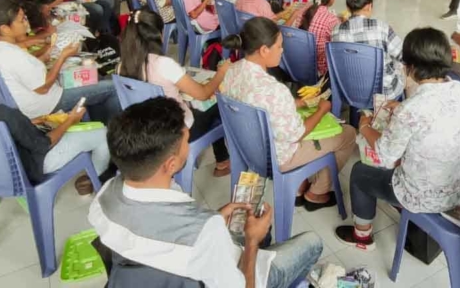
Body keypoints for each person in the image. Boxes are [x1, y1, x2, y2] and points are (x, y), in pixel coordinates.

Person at [89, 97, 323, 288]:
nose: (188, 146)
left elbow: (160, 236)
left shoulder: (105, 197)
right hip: (236, 278)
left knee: (252, 226)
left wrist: (217, 216)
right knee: (311, 241)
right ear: (170, 164)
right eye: (186, 142)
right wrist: (251, 241)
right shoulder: (205, 232)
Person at [335, 27, 460, 251]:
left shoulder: (412, 109)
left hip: (426, 196)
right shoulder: (459, 90)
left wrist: (364, 125)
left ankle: (362, 236)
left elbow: (384, 153)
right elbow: (438, 118)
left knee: (360, 172)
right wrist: (402, 109)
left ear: (410, 67)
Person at [222, 17, 356, 211]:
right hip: (276, 157)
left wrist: (297, 102)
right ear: (264, 50)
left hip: (245, 146)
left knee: (308, 122)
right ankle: (316, 193)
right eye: (279, 46)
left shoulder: (232, 71)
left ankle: (299, 187)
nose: (282, 50)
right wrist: (321, 110)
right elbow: (297, 135)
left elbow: (256, 102)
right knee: (347, 134)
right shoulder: (275, 90)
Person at [0, 56, 110, 191]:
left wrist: (29, 122)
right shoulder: (3, 113)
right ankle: (93, 179)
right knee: (103, 133)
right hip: (31, 166)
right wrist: (71, 119)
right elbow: (44, 144)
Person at [118, 8, 230, 176]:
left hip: (148, 131)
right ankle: (223, 162)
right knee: (221, 106)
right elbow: (203, 94)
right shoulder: (164, 64)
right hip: (176, 131)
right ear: (157, 35)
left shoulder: (122, 66)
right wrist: (221, 74)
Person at [0, 0, 121, 124]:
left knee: (95, 81)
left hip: (32, 102)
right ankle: (114, 130)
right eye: (22, 20)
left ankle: (99, 120)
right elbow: (43, 88)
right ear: (4, 29)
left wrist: (44, 57)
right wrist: (63, 56)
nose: (26, 22)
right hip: (46, 103)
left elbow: (23, 74)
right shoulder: (10, 54)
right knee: (114, 86)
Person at [332, 0, 405, 100]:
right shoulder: (381, 27)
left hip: (349, 91)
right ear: (368, 6)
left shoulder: (336, 30)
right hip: (383, 93)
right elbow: (403, 55)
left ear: (347, 7)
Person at [296, 0, 340, 76]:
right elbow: (337, 45)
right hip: (321, 69)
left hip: (301, 63)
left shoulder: (302, 11)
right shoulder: (331, 20)